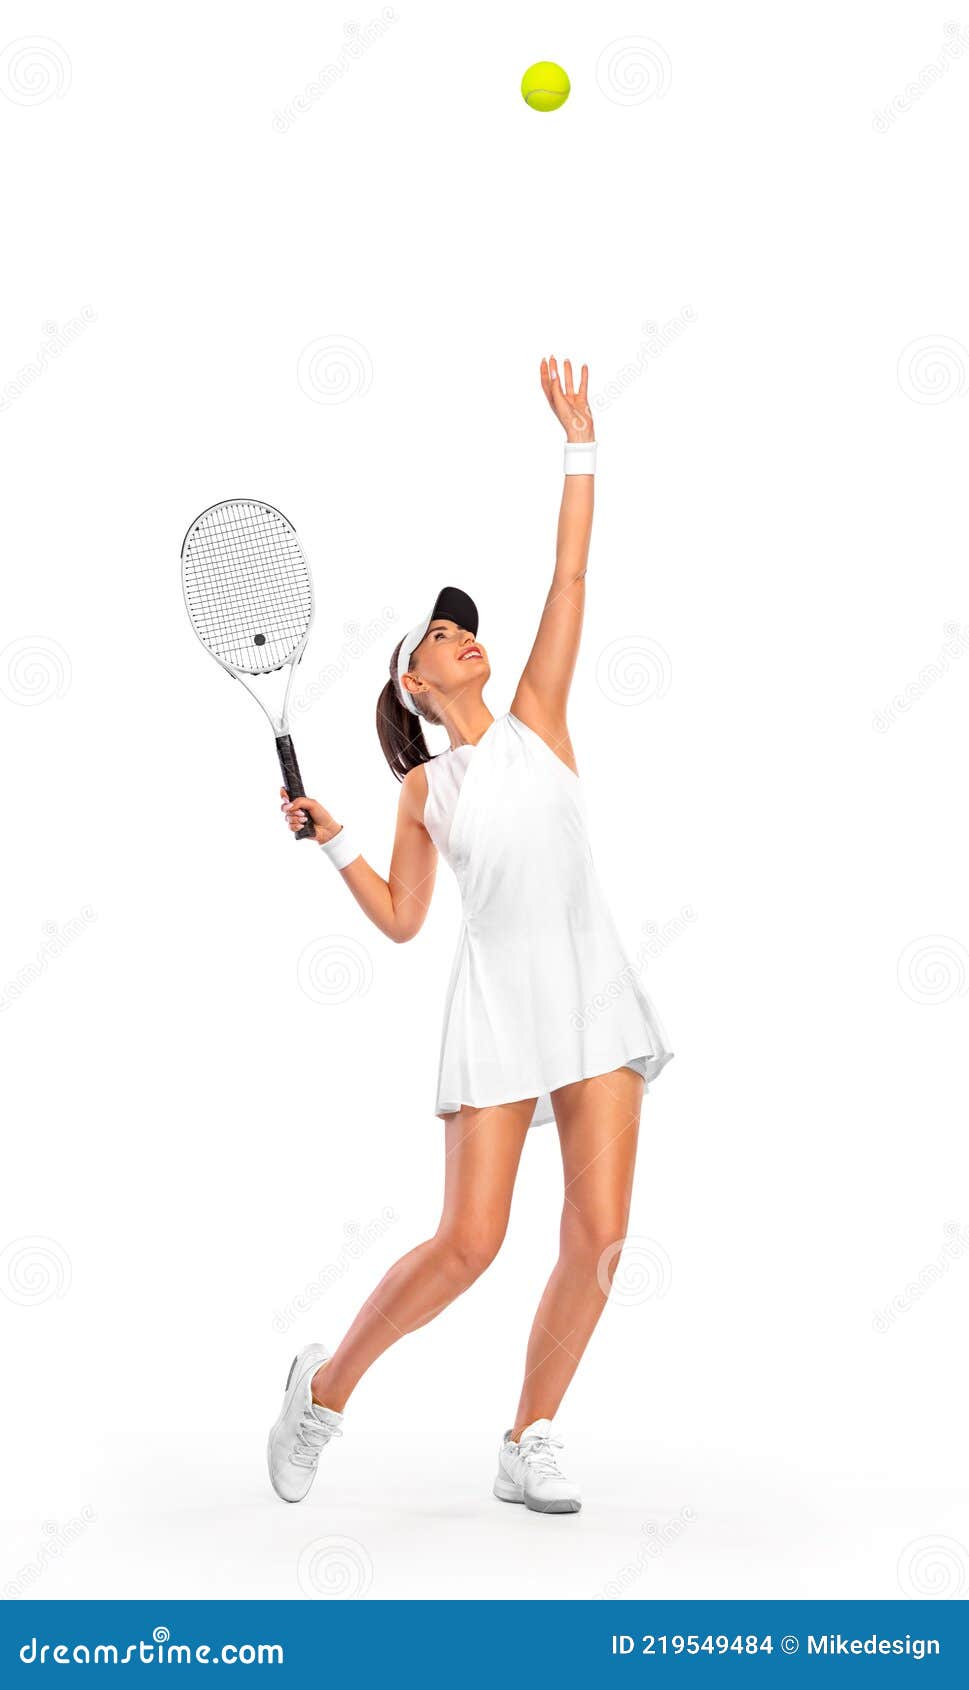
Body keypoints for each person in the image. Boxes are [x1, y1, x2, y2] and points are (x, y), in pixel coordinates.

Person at [267, 357, 673, 1515]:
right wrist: (335, 836)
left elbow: (571, 573)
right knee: (469, 1242)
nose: (463, 636)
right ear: (413, 680)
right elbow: (401, 922)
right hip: (497, 1016)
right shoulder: (424, 791)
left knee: (600, 1241)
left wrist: (580, 442)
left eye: (464, 627)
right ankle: (323, 1390)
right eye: (443, 635)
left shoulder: (538, 719)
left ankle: (530, 1434)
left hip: (596, 1004)